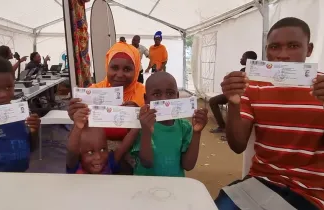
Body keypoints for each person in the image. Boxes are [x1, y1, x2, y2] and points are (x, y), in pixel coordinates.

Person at [216, 17, 324, 210]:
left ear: (309, 49)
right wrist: (233, 103)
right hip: (261, 181)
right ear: (267, 51)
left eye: (293, 46)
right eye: (274, 47)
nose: (282, 55)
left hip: (312, 193)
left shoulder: (321, 88)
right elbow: (238, 145)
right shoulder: (253, 87)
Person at [67, 42, 145, 172]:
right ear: (107, 67)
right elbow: (79, 133)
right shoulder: (93, 92)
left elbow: (154, 133)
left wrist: (139, 115)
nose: (119, 74)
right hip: (96, 158)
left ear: (136, 69)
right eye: (114, 68)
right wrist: (73, 116)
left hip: (132, 155)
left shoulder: (145, 95)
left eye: (127, 69)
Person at [130, 72, 208, 177]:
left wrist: (197, 133)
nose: (165, 99)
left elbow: (188, 165)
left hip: (174, 186)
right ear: (146, 99)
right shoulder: (142, 124)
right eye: (157, 94)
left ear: (177, 96)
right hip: (145, 185)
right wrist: (146, 131)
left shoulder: (184, 126)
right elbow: (147, 163)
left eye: (170, 93)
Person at [66, 111, 138, 174]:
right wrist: (77, 126)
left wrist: (138, 123)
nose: (98, 157)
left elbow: (124, 146)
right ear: (79, 153)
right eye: (90, 152)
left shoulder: (109, 163)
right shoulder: (75, 165)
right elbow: (72, 150)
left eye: (103, 150)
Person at [209, 51, 257, 134]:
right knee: (213, 101)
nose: (241, 59)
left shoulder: (255, 72)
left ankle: (231, 132)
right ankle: (222, 127)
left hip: (245, 97)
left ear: (248, 60)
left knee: (233, 107)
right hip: (237, 94)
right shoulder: (243, 70)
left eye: (243, 57)